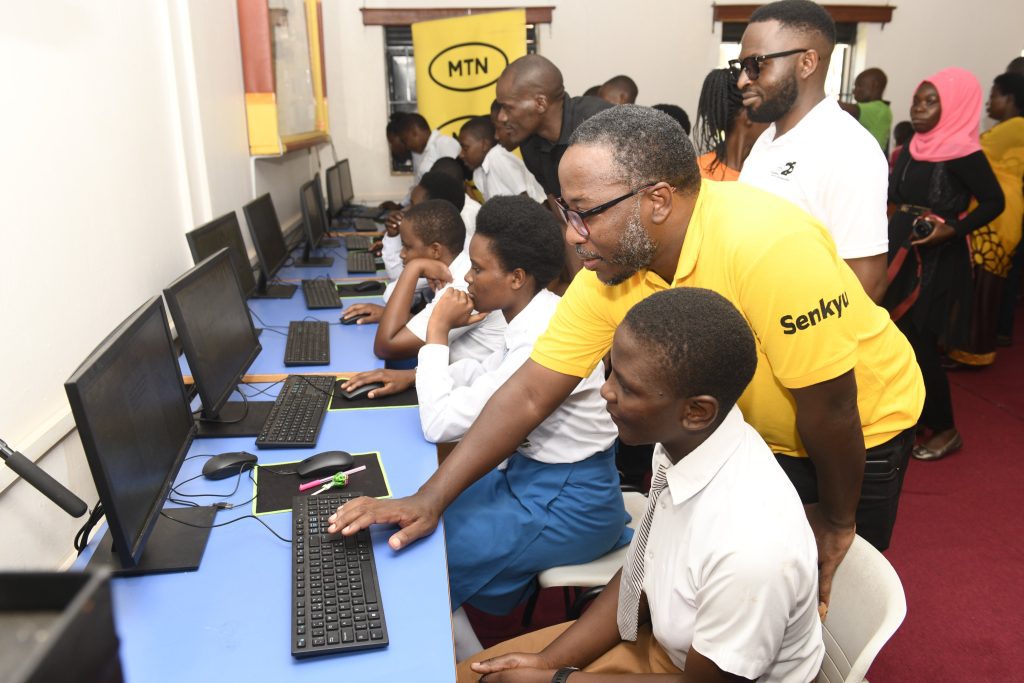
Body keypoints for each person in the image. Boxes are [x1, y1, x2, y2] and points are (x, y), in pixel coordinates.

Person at [328, 106, 925, 619]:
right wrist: (430, 498)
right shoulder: (612, 269)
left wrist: (839, 519)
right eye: (565, 211)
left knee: (815, 605)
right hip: (750, 434)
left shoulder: (768, 246)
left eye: (584, 211)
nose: (572, 235)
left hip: (857, 434)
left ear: (657, 200)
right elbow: (531, 392)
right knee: (735, 601)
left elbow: (832, 407)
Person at [459, 288, 825, 682]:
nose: (606, 390)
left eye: (628, 388)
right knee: (469, 676)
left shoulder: (751, 549)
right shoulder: (682, 443)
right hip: (665, 648)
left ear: (696, 411)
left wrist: (556, 680)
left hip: (695, 674)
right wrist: (549, 662)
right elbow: (643, 568)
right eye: (611, 369)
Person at [735, 0, 890, 303]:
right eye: (741, 67)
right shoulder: (768, 139)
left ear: (807, 63)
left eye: (756, 65)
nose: (743, 80)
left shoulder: (849, 149)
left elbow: (866, 285)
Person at [885, 68, 1004, 461]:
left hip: (937, 258)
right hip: (902, 250)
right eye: (917, 100)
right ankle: (913, 414)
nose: (918, 108)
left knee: (921, 343)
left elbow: (994, 202)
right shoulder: (913, 146)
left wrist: (953, 228)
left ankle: (946, 428)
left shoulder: (964, 153)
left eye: (930, 101)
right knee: (897, 338)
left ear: (953, 105)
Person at [342, 199, 506, 363]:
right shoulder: (451, 268)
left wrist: (414, 267)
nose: (402, 254)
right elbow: (391, 295)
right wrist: (387, 315)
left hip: (468, 377)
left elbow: (385, 347)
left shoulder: (464, 287)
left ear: (435, 250)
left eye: (407, 246)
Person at [947, 73, 1024, 367]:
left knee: (981, 285)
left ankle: (971, 353)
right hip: (1002, 211)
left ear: (1009, 98)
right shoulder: (1009, 128)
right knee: (984, 284)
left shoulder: (1014, 128)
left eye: (993, 96)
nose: (989, 103)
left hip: (997, 216)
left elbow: (970, 152)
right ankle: (970, 348)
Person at [494, 55, 612, 198]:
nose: (501, 117)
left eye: (508, 108)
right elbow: (557, 202)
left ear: (540, 103)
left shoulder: (602, 122)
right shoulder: (529, 145)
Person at [693, 67, 768, 181]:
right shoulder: (695, 175)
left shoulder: (772, 173)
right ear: (748, 115)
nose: (772, 122)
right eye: (766, 111)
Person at [459, 116, 546, 202]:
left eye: (465, 148)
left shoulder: (497, 156)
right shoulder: (478, 174)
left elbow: (525, 199)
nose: (461, 155)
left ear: (484, 145)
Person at [394, 112, 461, 184]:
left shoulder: (444, 143)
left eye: (405, 140)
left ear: (414, 132)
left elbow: (455, 177)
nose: (407, 146)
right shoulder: (419, 154)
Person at [840, 68, 894, 151]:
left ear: (874, 85)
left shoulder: (880, 109)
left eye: (859, 85)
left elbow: (841, 107)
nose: (854, 91)